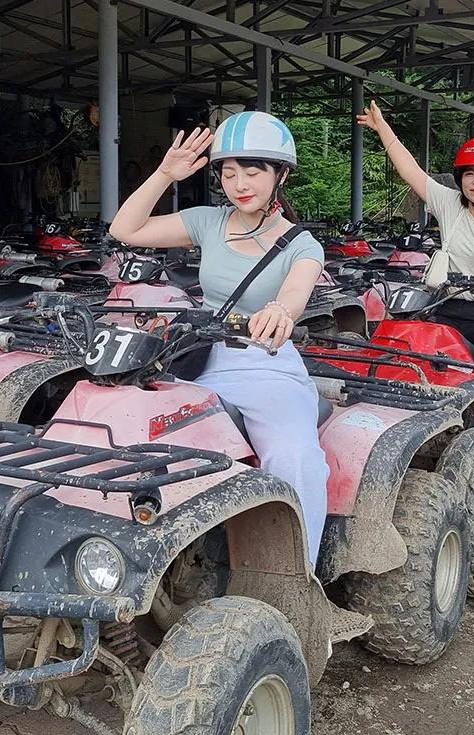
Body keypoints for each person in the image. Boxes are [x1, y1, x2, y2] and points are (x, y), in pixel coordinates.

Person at [108, 111, 331, 564]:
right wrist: (165, 174)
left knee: (296, 458)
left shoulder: (302, 244)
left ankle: (299, 578)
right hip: (197, 358)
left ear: (280, 175)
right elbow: (124, 229)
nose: (239, 183)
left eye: (252, 171)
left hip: (264, 364)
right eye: (229, 173)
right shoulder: (209, 221)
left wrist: (279, 311)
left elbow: (295, 293)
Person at [355, 101, 474, 409]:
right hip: (445, 307)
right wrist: (382, 128)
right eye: (469, 173)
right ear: (460, 178)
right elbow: (410, 171)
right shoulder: (448, 204)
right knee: (401, 351)